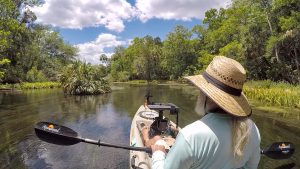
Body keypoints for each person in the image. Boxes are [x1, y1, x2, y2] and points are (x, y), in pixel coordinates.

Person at [142, 56, 261, 169]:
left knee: (156, 139)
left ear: (207, 95)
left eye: (201, 90)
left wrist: (158, 152)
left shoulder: (191, 135)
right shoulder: (253, 130)